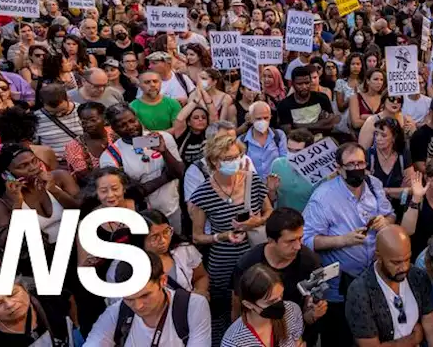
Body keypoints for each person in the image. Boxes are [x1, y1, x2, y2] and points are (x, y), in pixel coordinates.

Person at [301, 142, 396, 346]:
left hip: (374, 280)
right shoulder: (323, 197)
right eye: (350, 164)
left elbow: (391, 215)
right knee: (340, 338)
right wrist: (343, 240)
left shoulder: (374, 184)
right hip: (340, 288)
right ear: (338, 168)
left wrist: (386, 221)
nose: (356, 169)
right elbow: (306, 240)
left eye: (360, 163)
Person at [188, 133, 272, 342]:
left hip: (254, 257)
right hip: (222, 264)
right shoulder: (203, 193)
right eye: (227, 159)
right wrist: (222, 236)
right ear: (214, 161)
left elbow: (270, 212)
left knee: (257, 305)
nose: (234, 162)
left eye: (237, 156)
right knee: (225, 314)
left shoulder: (253, 181)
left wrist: (256, 222)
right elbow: (197, 237)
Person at [231, 208, 327, 339]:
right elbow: (237, 306)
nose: (298, 246)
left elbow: (308, 311)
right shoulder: (247, 264)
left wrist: (314, 312)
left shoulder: (310, 262)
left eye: (300, 238)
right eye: (290, 241)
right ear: (271, 240)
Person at [344, 225, 433, 347]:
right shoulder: (360, 292)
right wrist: (413, 339)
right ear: (379, 257)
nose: (404, 267)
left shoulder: (417, 277)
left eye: (407, 259)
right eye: (396, 262)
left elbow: (432, 329)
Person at [84, 251, 212, 347]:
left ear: (163, 281)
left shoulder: (193, 306)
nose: (138, 306)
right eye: (129, 299)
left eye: (145, 295)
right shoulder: (115, 314)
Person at [101, 104, 185, 227]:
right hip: (141, 218)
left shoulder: (163, 138)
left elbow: (180, 172)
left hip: (172, 210)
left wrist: (164, 152)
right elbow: (131, 192)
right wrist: (166, 177)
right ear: (114, 129)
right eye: (123, 125)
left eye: (132, 121)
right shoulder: (110, 156)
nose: (130, 127)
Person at [0, 277, 73, 347]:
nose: (10, 304)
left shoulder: (50, 299)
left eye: (12, 294)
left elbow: (69, 299)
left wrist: (77, 327)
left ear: (25, 289)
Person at [221, 264, 306, 347]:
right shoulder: (233, 342)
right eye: (271, 301)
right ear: (248, 304)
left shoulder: (292, 310)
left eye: (281, 295)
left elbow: (298, 342)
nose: (280, 304)